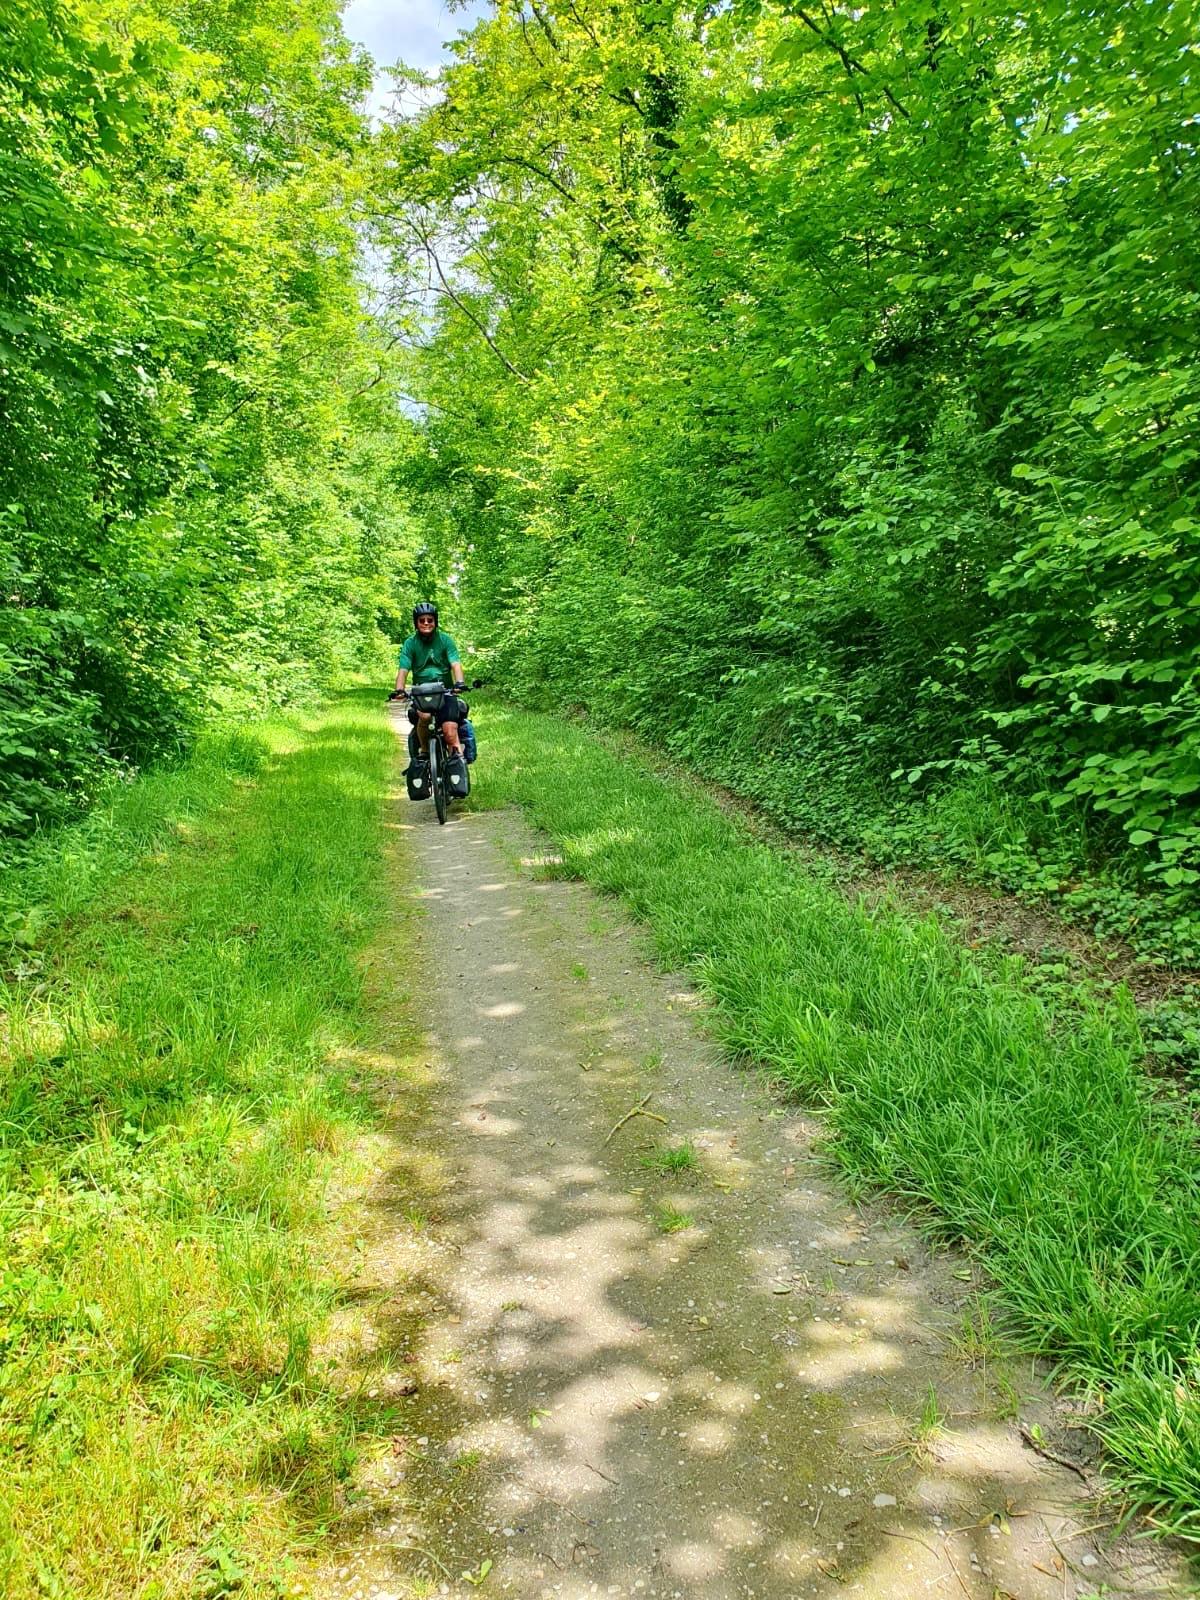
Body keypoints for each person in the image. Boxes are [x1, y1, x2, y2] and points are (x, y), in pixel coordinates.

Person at [391, 601, 469, 791]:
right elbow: (403, 669)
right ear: (416, 623)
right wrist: (399, 690)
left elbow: (455, 665)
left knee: (450, 731)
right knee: (424, 717)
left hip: (445, 692)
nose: (426, 623)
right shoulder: (410, 644)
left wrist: (459, 683)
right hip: (422, 693)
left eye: (430, 620)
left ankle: (458, 772)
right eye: (422, 620)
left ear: (435, 622)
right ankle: (425, 752)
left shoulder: (445, 640)